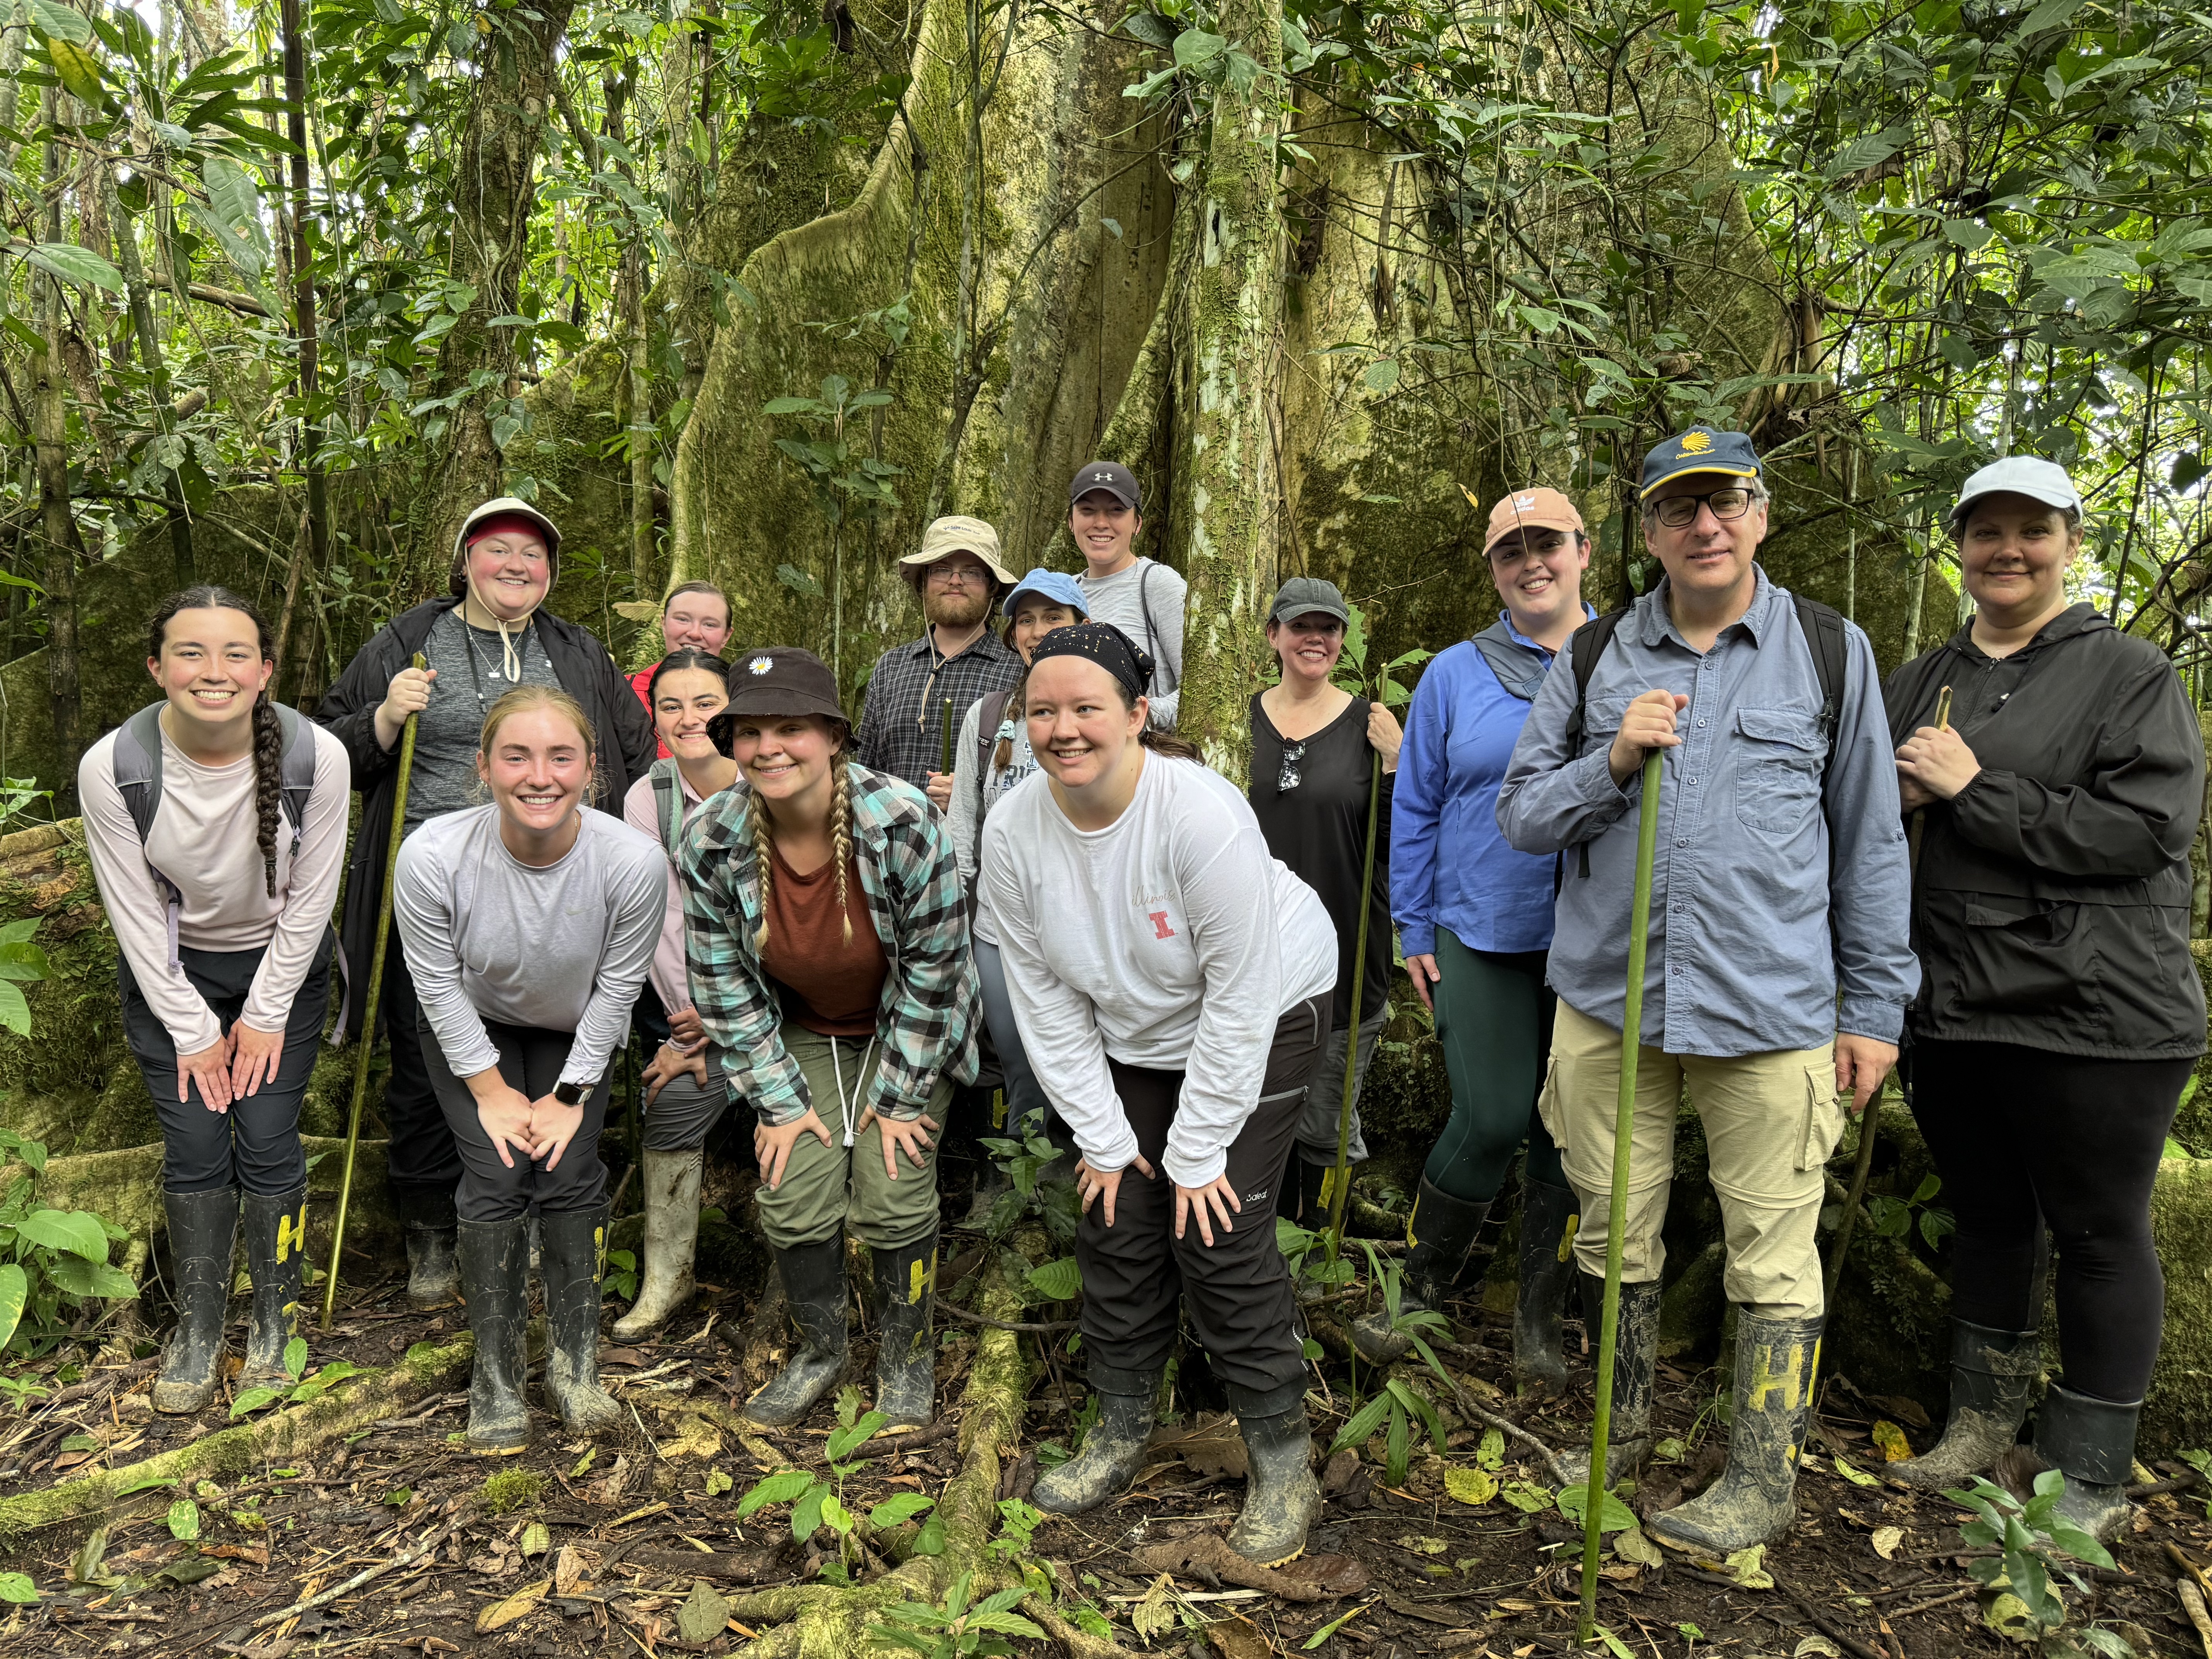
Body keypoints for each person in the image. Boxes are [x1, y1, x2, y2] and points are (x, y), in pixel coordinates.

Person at [1498, 429, 1917, 1552]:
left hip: (1770, 1006)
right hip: (1609, 1000)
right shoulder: (1595, 654)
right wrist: (1614, 760)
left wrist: (1873, 1009)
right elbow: (1523, 815)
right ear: (1647, 532)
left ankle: (1761, 1480)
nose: (1705, 525)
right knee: (1611, 1230)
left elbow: (1871, 840)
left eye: (1725, 501)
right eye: (1679, 509)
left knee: (1773, 1249)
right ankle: (1616, 1432)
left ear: (1762, 513)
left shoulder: (1830, 651)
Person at [1882, 457, 2204, 1540]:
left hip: (2100, 1010)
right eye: (1985, 531)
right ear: (1960, 547)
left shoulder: (2127, 671)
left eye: (2031, 530)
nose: (2006, 550)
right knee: (1988, 1217)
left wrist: (1979, 789)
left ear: (2070, 541)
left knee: (2101, 1231)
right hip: (1955, 1001)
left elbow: (2145, 830)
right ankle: (1980, 1427)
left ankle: (2086, 1477)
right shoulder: (1924, 673)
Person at [980, 623, 1336, 1567]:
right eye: (1043, 709)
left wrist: (1199, 1150)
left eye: (1087, 707)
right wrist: (1103, 1138)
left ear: (1137, 715)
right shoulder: (1015, 825)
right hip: (1133, 1028)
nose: (1063, 728)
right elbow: (1041, 993)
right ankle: (1121, 1426)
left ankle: (1282, 1456)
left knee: (1215, 1229)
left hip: (1270, 1002)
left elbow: (1243, 991)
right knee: (1114, 1218)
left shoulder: (1199, 814)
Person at [317, 498, 655, 1310]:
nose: (516, 566)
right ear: (465, 559)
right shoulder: (408, 642)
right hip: (435, 884)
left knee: (566, 1041)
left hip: (559, 881)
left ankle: (545, 1219)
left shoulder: (576, 651)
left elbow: (636, 754)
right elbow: (332, 747)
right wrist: (387, 716)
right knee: (420, 1049)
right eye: (498, 550)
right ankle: (433, 1228)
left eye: (533, 556)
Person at [680, 649, 979, 1430]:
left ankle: (907, 1359)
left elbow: (935, 969)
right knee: (794, 1194)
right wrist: (777, 1105)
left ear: (834, 737)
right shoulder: (712, 838)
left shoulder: (906, 823)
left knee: (893, 1183)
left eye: (790, 728)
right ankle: (821, 1350)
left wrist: (899, 1098)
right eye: (749, 732)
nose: (769, 748)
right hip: (802, 1029)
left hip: (909, 1027)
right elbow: (725, 989)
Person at [80, 588, 349, 1414]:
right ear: (156, 667)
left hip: (284, 968)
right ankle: (197, 1330)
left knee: (268, 1138)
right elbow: (132, 915)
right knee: (197, 1142)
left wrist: (263, 1016)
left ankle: (275, 1320)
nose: (214, 672)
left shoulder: (317, 757)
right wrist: (196, 1031)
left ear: (265, 671)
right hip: (173, 974)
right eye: (191, 653)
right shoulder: (117, 766)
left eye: (236, 654)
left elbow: (311, 901)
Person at [1360, 491, 1593, 1393]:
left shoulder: (1626, 655)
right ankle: (1417, 1288)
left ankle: (1539, 1315)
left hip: (1597, 933)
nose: (1531, 563)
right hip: (1481, 927)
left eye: (1547, 545)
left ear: (1582, 551)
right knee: (1493, 1116)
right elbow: (1414, 804)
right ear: (1493, 569)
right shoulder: (1458, 672)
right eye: (1510, 552)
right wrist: (1414, 928)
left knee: (1573, 1133)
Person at [393, 686, 664, 1452]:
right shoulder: (434, 855)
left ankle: (577, 1368)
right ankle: (498, 1376)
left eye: (560, 757)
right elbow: (436, 983)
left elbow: (620, 985)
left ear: (589, 772)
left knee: (571, 1170)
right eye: (516, 756)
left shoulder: (631, 861)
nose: (538, 776)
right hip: (472, 1026)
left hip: (574, 1029)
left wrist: (571, 1095)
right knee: (497, 1169)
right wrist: (492, 1092)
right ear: (484, 768)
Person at [1245, 577, 1399, 1229]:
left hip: (1345, 942)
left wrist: (1394, 765)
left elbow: (1403, 841)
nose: (1315, 638)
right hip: (1247, 949)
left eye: (1328, 628)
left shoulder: (1371, 723)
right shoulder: (1233, 713)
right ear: (1274, 634)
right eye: (1300, 625)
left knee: (1327, 1114)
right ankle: (1258, 1248)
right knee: (1252, 1105)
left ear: (1342, 640)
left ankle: (1318, 1251)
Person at [939, 568, 1089, 1216]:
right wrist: (955, 914)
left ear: (1083, 627)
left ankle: (1070, 1173)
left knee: (1073, 1050)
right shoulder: (991, 714)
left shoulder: (1104, 706)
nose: (1036, 631)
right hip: (998, 928)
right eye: (1025, 620)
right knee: (1014, 1056)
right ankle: (1017, 1177)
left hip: (1081, 925)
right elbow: (963, 823)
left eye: (1052, 618)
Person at [614, 649, 742, 1340]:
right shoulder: (651, 796)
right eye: (671, 705)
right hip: (693, 1015)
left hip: (783, 1013)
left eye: (706, 702)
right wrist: (687, 1027)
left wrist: (727, 1019)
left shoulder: (769, 777)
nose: (689, 718)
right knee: (669, 1099)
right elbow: (659, 921)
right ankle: (668, 1278)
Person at [854, 516, 1021, 792]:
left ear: (992, 587)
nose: (955, 581)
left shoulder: (1017, 669)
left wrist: (970, 798)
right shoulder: (891, 667)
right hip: (890, 835)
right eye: (942, 570)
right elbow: (864, 774)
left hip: (973, 835)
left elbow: (1031, 779)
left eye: (972, 572)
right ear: (923, 582)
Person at [1070, 462, 1185, 728]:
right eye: (1087, 511)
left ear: (1137, 524)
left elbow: (1199, 691)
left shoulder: (1158, 584)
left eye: (1117, 511)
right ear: (1071, 521)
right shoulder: (1065, 592)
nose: (1101, 523)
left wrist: (1129, 718)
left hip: (1145, 760)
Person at [628, 582, 735, 755]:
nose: (694, 633)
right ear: (663, 624)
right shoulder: (625, 692)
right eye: (683, 620)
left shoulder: (745, 693)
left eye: (710, 624)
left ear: (727, 636)